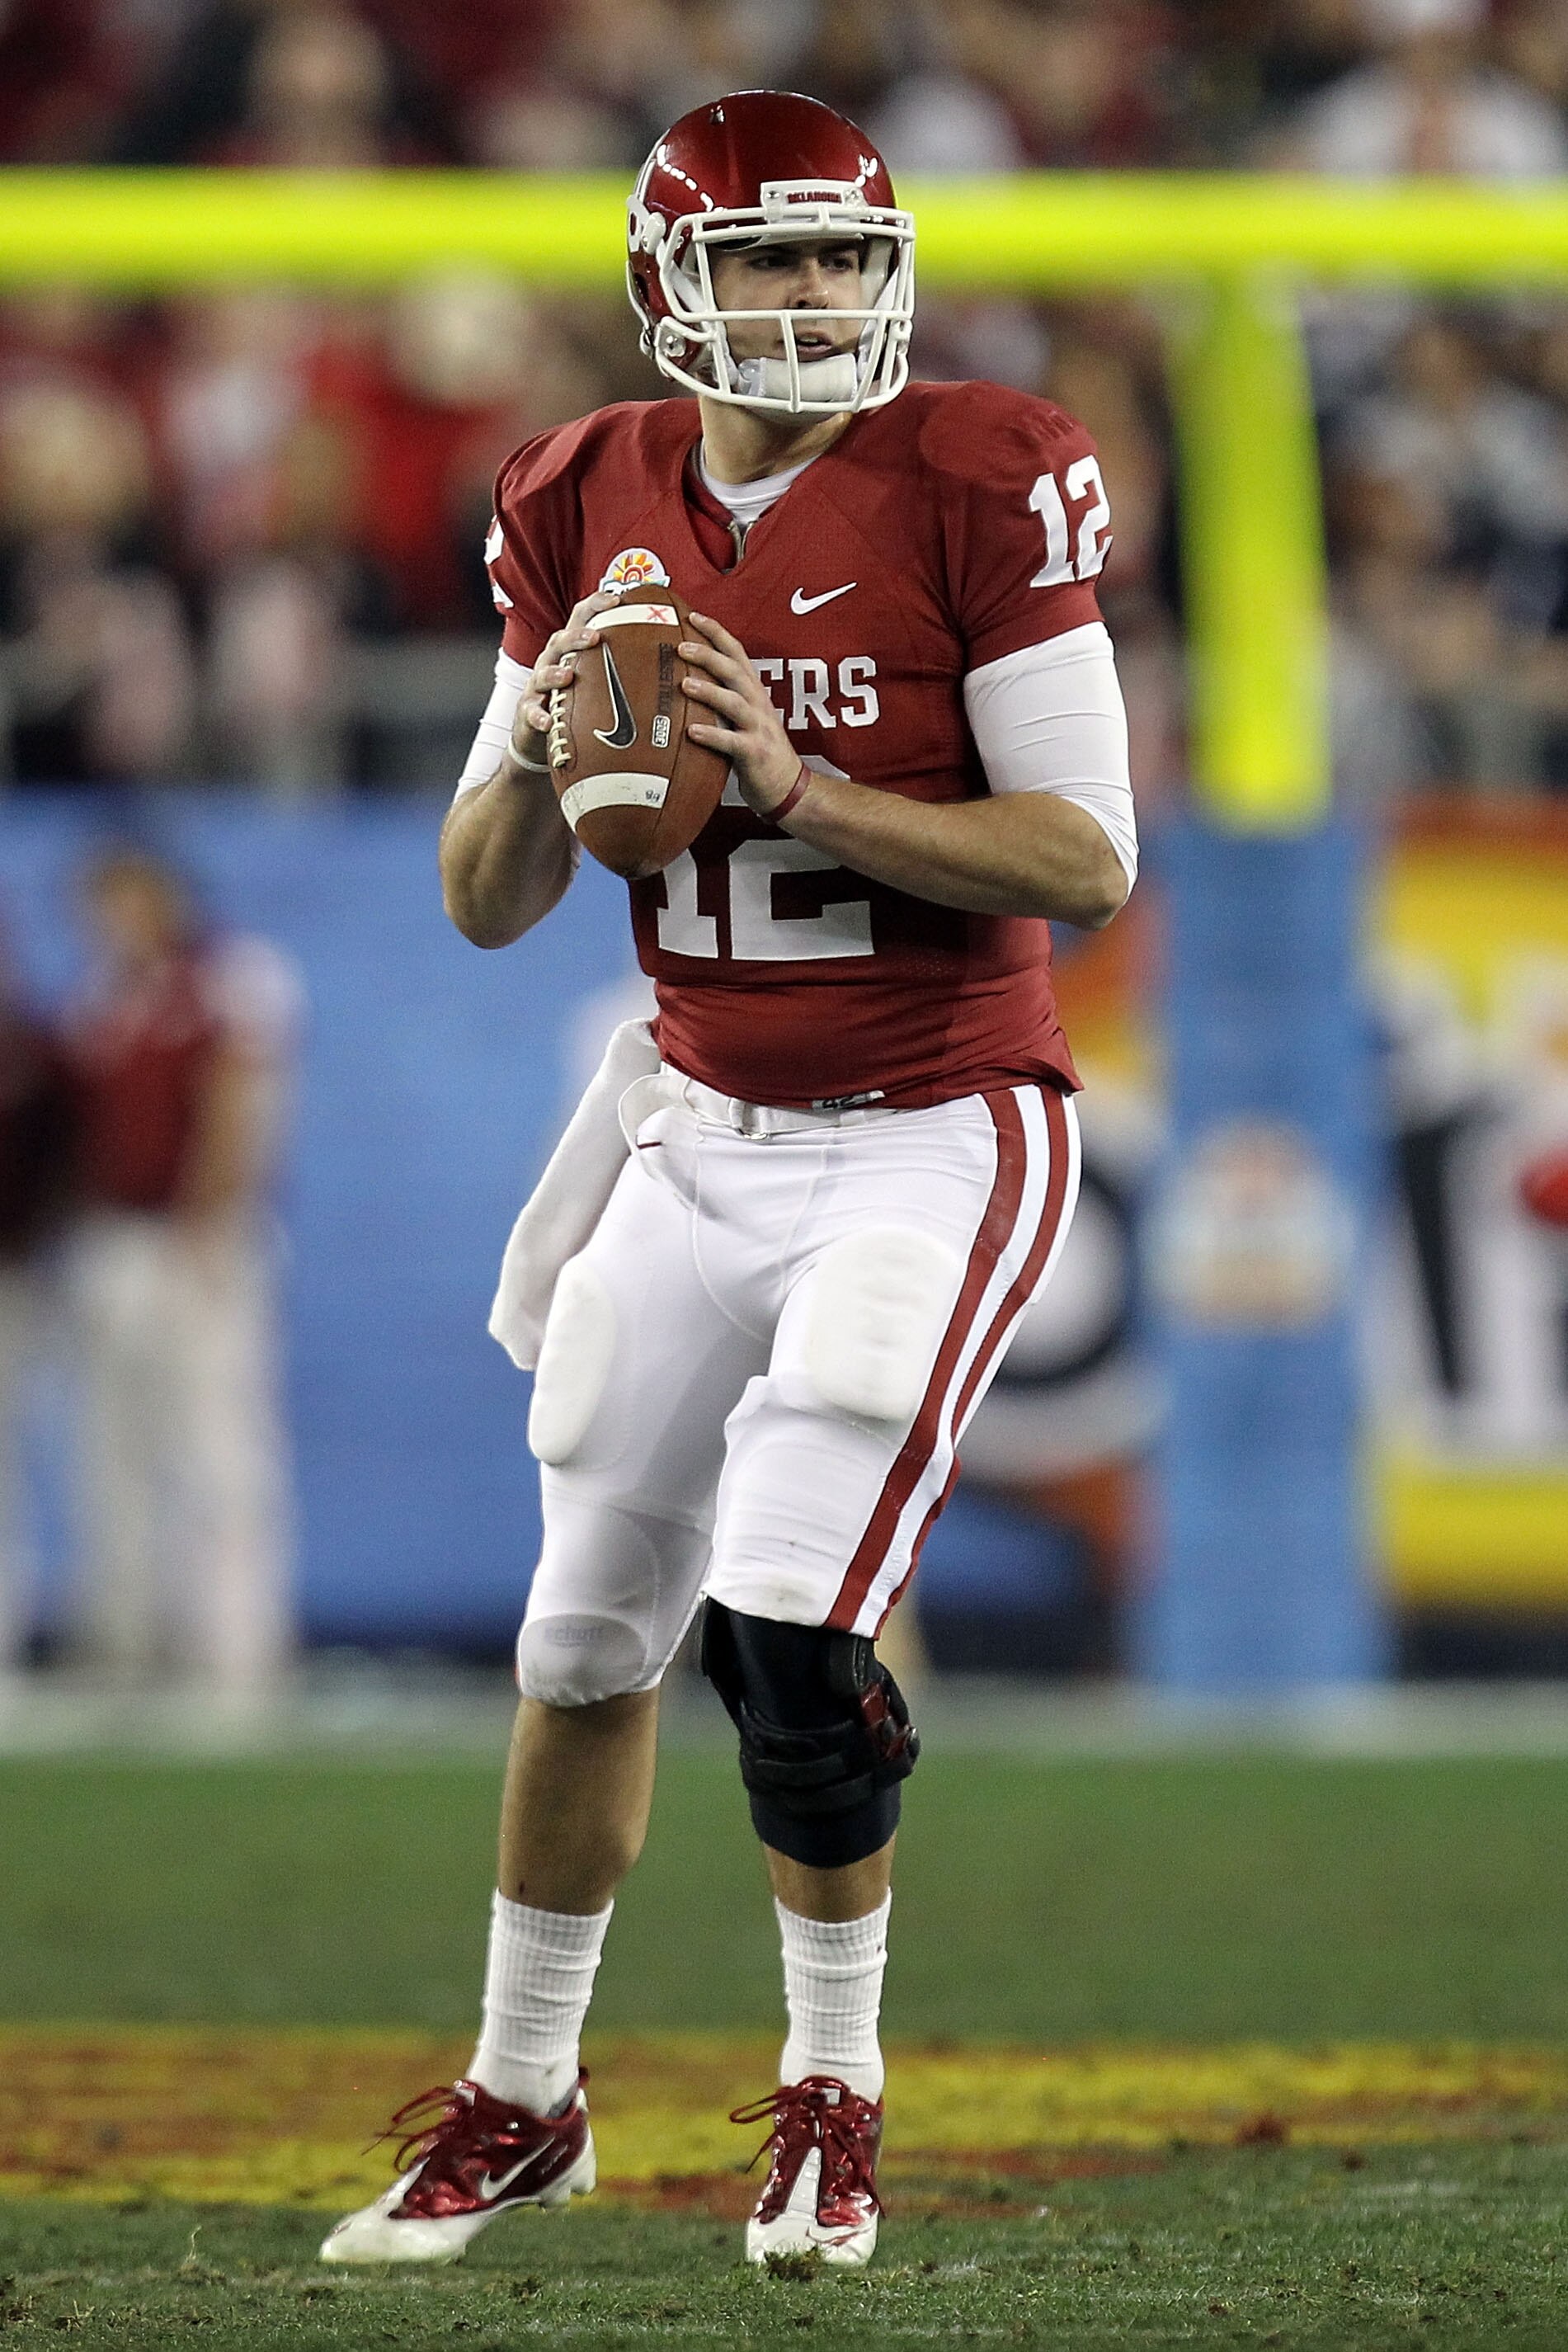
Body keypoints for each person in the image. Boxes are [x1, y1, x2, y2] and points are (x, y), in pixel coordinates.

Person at [323, 87, 1137, 2271]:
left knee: (785, 1620)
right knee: (584, 1628)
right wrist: (557, 752)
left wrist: (793, 783)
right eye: (765, 256)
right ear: (665, 283)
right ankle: (521, 2099)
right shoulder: (577, 491)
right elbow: (485, 897)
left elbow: (1082, 858)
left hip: (933, 1125)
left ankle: (831, 2096)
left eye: (840, 254)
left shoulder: (978, 472)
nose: (810, 294)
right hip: (692, 1128)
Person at [64, 847, 300, 1691]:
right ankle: (124, 1641)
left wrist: (210, 1218)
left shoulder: (232, 979)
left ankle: (236, 1650)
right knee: (114, 1452)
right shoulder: (103, 997)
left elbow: (244, 1102)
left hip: (200, 1239)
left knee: (221, 1449)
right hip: (113, 1239)